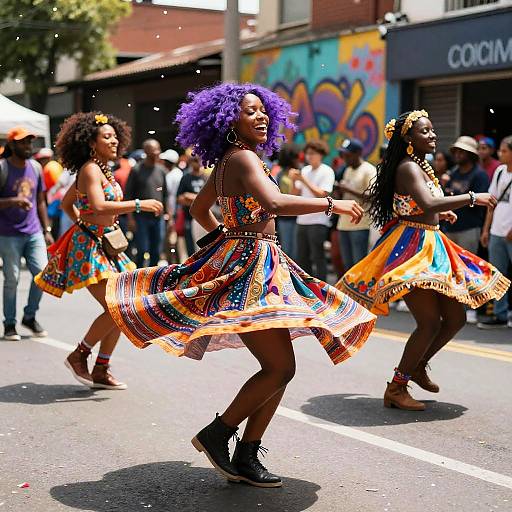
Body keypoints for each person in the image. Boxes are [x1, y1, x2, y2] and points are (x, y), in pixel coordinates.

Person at [105, 83, 376, 487]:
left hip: (259, 263)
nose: (262, 116)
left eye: (264, 110)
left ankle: (247, 453)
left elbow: (200, 208)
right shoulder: (244, 158)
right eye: (251, 111)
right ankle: (221, 435)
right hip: (253, 269)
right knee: (280, 367)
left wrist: (224, 240)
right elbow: (276, 205)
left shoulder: (231, 160)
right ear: (228, 120)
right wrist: (330, 204)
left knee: (280, 368)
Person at [336, 110, 509, 411]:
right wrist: (471, 198)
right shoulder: (408, 167)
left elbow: (421, 205)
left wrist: (439, 213)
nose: (432, 135)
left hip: (431, 241)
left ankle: (418, 365)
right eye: (425, 131)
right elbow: (426, 202)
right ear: (409, 139)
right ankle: (397, 387)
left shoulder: (418, 166)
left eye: (431, 130)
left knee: (454, 319)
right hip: (412, 248)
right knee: (428, 323)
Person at [35, 112, 163, 389]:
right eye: (107, 137)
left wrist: (84, 220)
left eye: (115, 136)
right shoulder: (91, 169)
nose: (114, 141)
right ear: (91, 143)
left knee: (123, 307)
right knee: (118, 307)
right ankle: (80, 354)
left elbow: (70, 202)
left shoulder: (102, 169)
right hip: (91, 247)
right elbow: (99, 205)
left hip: (107, 244)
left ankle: (101, 369)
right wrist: (138, 205)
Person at [0, 126, 53, 341]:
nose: (27, 146)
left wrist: (47, 229)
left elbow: (40, 200)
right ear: (12, 145)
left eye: (29, 142)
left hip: (33, 232)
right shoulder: (2, 168)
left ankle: (29, 317)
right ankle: (10, 324)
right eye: (23, 142)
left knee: (42, 274)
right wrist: (13, 201)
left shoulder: (36, 168)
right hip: (7, 233)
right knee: (11, 278)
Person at [478, 135, 512, 329]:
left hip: (510, 233)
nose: (500, 154)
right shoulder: (499, 172)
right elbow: (492, 203)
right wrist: (486, 229)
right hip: (497, 232)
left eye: (505, 150)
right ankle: (500, 314)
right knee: (497, 275)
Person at [290, 139, 335, 282]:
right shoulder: (304, 170)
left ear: (321, 154)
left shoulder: (327, 171)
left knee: (318, 256)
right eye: (307, 153)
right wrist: (293, 180)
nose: (309, 156)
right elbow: (294, 194)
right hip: (302, 219)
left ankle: (322, 287)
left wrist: (303, 180)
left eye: (313, 153)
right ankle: (307, 287)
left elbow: (322, 194)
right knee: (302, 257)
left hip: (318, 220)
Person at [125, 139, 168, 268]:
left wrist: (167, 215)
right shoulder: (136, 170)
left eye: (158, 149)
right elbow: (128, 195)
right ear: (146, 152)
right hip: (140, 217)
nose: (157, 152)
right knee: (142, 249)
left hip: (157, 218)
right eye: (153, 150)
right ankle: (139, 277)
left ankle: (153, 279)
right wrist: (130, 219)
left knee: (156, 251)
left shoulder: (161, 170)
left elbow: (165, 194)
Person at [443, 136, 489, 254]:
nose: (457, 154)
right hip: (450, 227)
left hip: (468, 229)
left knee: (466, 267)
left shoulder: (479, 175)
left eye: (461, 152)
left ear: (470, 154)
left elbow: (480, 204)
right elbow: (445, 197)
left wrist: (458, 198)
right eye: (456, 151)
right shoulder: (453, 173)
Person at [336, 138, 376, 270]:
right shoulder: (347, 170)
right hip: (343, 224)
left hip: (360, 224)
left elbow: (372, 197)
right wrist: (339, 191)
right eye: (343, 155)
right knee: (347, 266)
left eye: (347, 155)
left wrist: (347, 189)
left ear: (358, 153)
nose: (344, 158)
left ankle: (360, 291)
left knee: (359, 266)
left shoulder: (369, 170)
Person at [176, 155, 207, 256]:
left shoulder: (207, 178)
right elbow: (180, 198)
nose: (196, 162)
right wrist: (200, 199)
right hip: (189, 217)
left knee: (206, 246)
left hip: (205, 217)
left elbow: (213, 199)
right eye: (194, 160)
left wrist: (191, 197)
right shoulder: (186, 178)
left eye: (198, 160)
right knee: (191, 247)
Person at [275, 143, 301, 258]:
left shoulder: (282, 173)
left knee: (292, 250)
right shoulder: (284, 174)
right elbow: (292, 194)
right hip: (289, 216)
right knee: (289, 250)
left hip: (292, 216)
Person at [160, 149, 183, 263]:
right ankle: (173, 262)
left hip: (174, 210)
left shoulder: (175, 174)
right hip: (171, 210)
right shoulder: (171, 173)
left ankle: (175, 262)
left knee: (173, 239)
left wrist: (171, 213)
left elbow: (171, 195)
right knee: (169, 240)